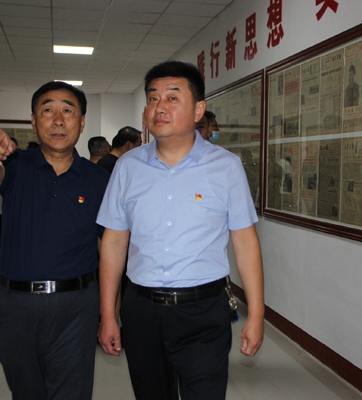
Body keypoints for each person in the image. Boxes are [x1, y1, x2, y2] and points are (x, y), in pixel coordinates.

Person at [97, 61, 264, 400]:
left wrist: (257, 314)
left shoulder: (226, 167)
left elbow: (245, 242)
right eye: (153, 98)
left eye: (172, 98)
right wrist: (108, 314)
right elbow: (113, 243)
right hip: (141, 309)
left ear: (198, 109)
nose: (159, 107)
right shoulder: (128, 167)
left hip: (204, 311)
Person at [0, 81, 109, 399]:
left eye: (68, 111)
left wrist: (109, 312)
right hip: (17, 304)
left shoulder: (99, 179)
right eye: (48, 110)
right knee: (26, 391)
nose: (58, 120)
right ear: (34, 121)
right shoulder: (16, 165)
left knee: (71, 392)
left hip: (77, 304)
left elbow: (109, 247)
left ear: (82, 122)